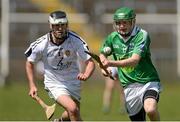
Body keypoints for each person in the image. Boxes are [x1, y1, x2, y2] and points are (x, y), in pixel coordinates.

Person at [24, 10, 95, 121]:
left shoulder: (75, 40)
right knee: (73, 109)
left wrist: (86, 74)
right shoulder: (42, 44)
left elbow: (90, 62)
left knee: (72, 112)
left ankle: (60, 121)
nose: (60, 28)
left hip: (73, 82)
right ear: (51, 26)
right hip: (54, 83)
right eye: (57, 26)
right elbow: (30, 63)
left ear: (66, 25)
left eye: (62, 25)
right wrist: (32, 85)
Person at [99, 7, 162, 121]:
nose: (121, 26)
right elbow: (102, 54)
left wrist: (110, 63)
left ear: (133, 22)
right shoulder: (112, 37)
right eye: (118, 23)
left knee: (150, 109)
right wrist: (104, 68)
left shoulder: (142, 35)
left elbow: (134, 61)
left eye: (125, 22)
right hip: (128, 86)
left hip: (147, 82)